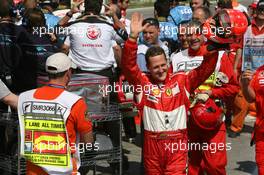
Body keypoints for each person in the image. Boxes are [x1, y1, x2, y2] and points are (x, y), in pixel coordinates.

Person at [122, 12, 222, 175]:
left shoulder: (182, 80)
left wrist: (212, 47)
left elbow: (205, 69)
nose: (160, 70)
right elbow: (129, 66)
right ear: (148, 67)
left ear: (168, 63)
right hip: (152, 150)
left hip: (177, 149)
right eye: (155, 67)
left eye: (163, 65)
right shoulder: (143, 83)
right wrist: (132, 38)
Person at [171, 20, 239, 175]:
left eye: (197, 33)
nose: (193, 37)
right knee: (193, 167)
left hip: (213, 121)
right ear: (184, 37)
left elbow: (234, 88)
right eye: (189, 34)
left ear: (204, 35)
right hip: (187, 122)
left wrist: (212, 93)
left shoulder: (219, 55)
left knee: (215, 167)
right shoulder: (176, 58)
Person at [17, 53, 93, 175]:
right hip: (64, 171)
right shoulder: (74, 102)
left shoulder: (25, 97)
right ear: (68, 73)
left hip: (33, 170)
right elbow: (88, 141)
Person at [229, 0, 264, 137]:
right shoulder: (246, 28)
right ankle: (236, 127)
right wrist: (235, 67)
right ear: (255, 11)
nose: (262, 12)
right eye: (260, 9)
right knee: (241, 100)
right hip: (247, 70)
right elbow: (240, 48)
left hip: (262, 73)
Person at [241, 67, 264, 175]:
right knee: (262, 166)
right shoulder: (259, 72)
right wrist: (245, 85)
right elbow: (251, 98)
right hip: (262, 130)